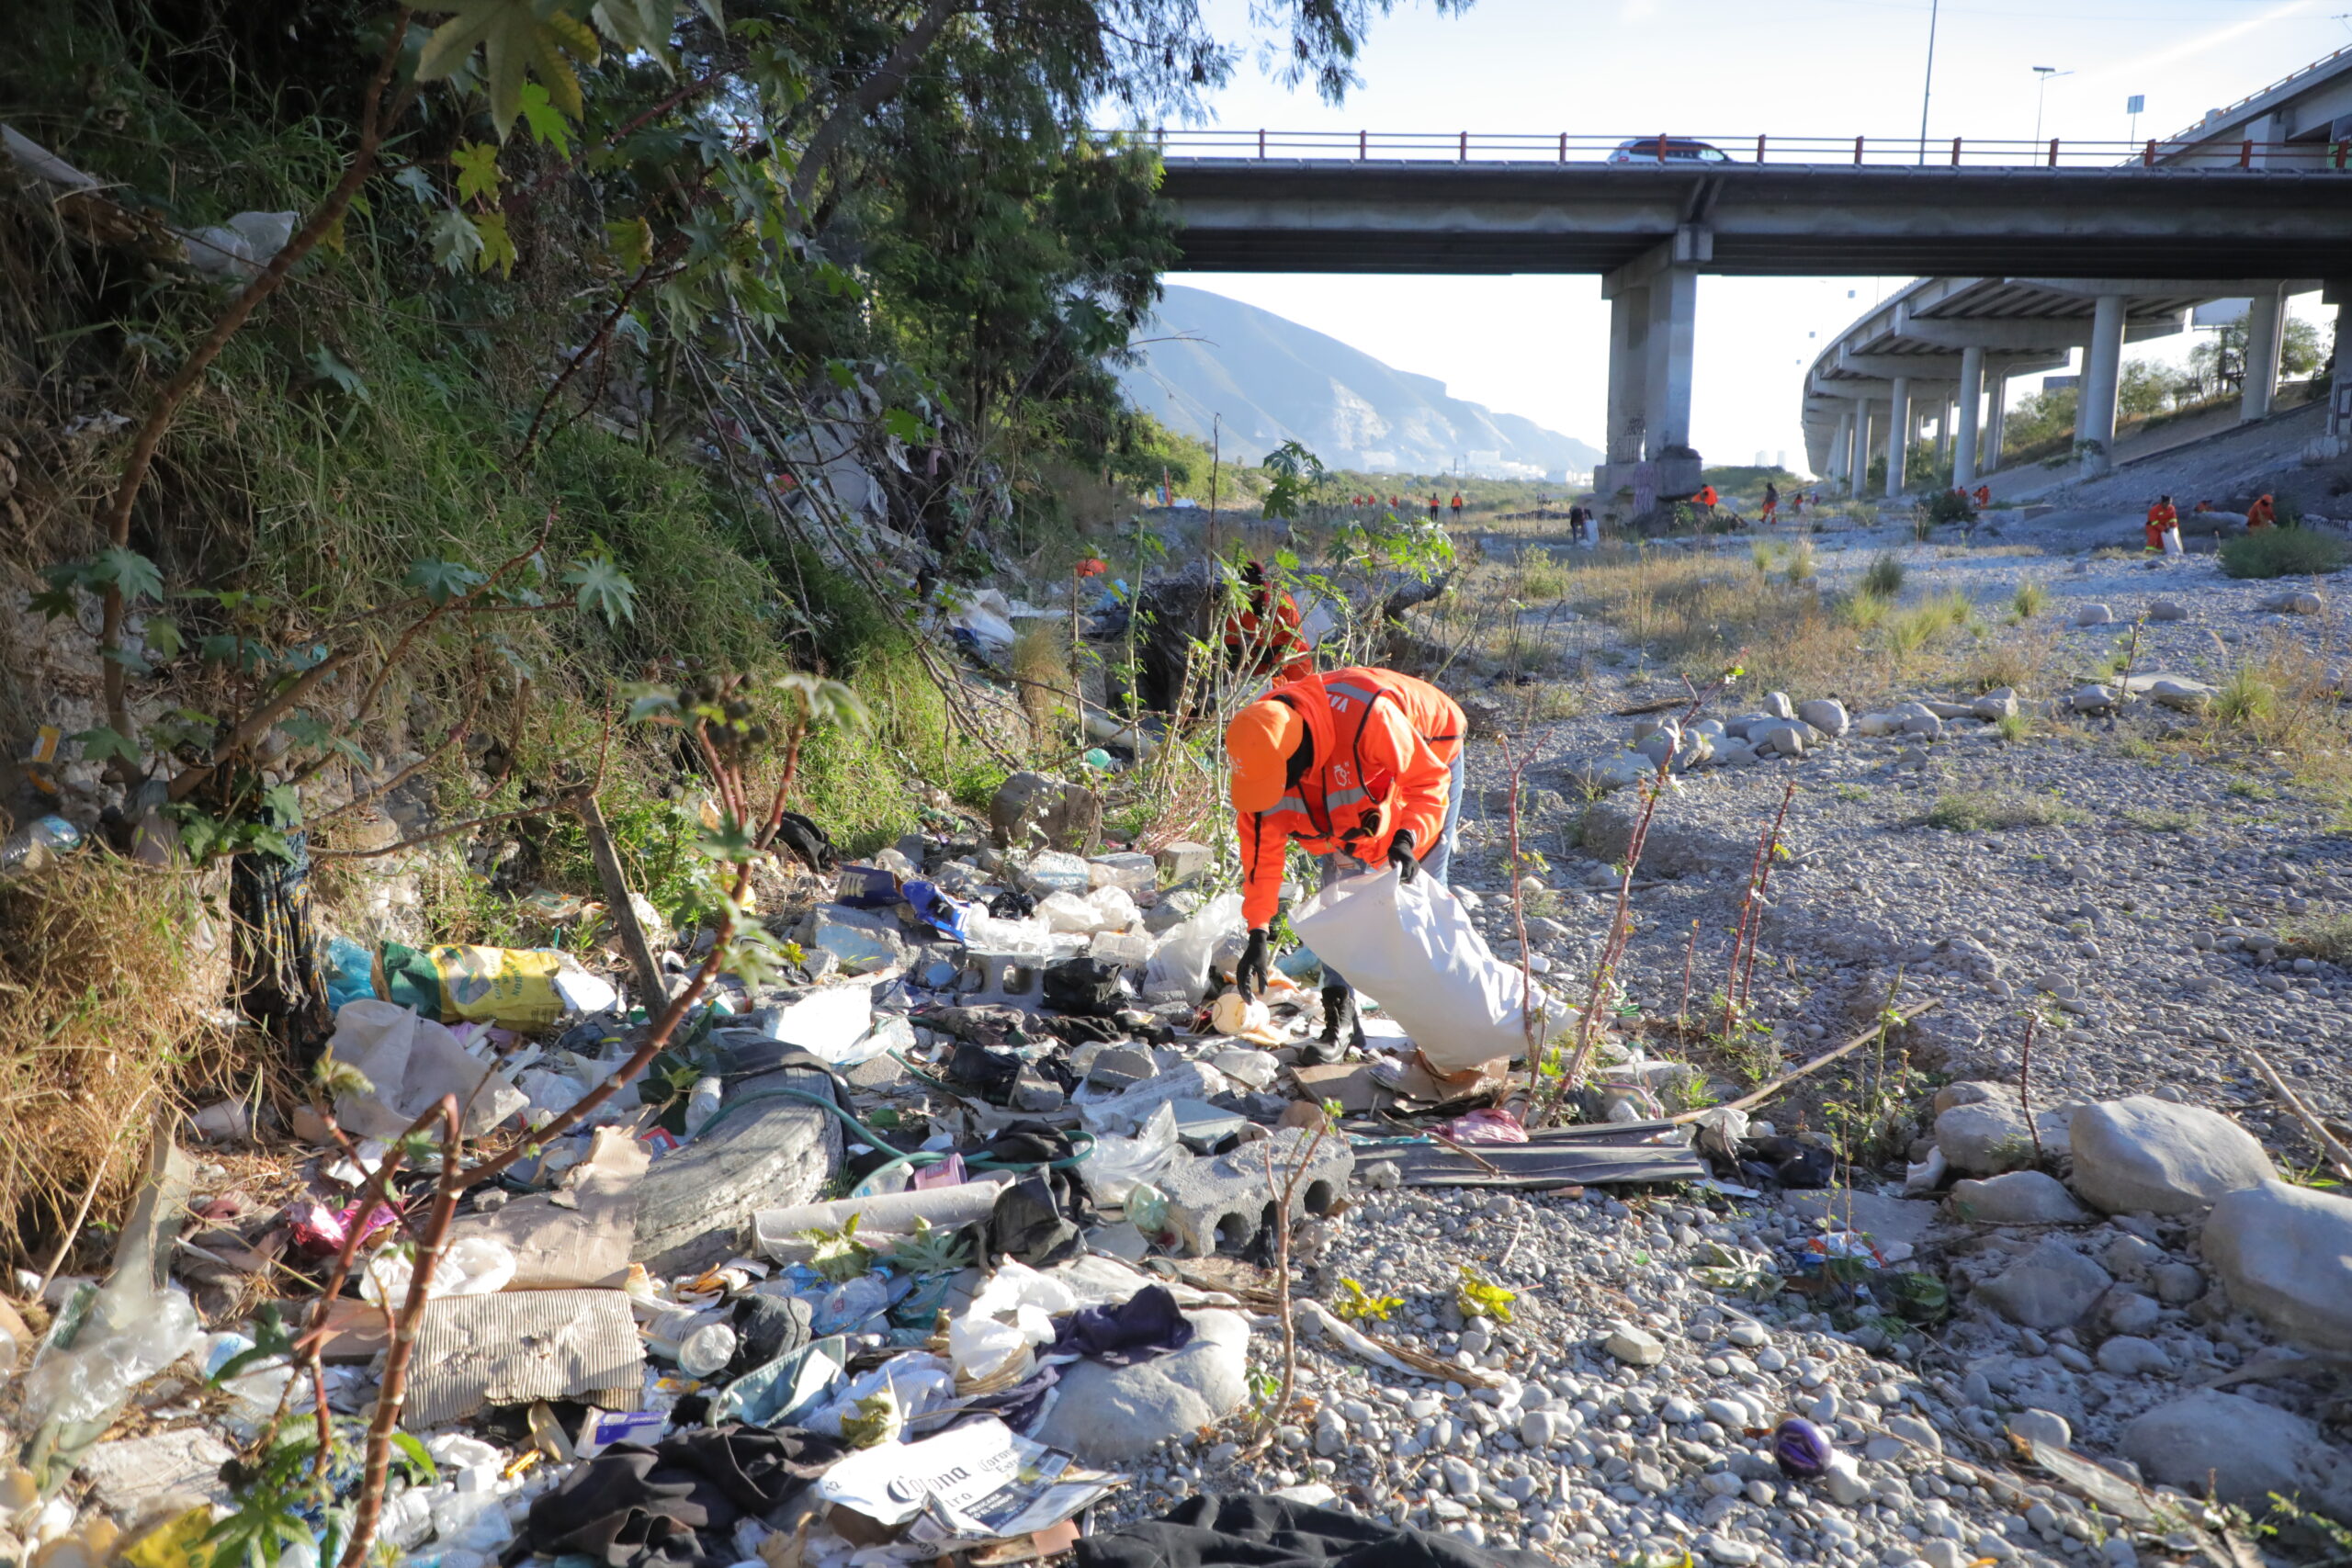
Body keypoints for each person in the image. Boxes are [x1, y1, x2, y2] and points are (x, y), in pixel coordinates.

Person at [1227, 667, 1466, 1063]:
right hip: (1358, 787)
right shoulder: (1259, 749)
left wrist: (1408, 838)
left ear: (1298, 758)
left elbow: (1427, 782)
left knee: (1423, 899)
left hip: (1430, 749)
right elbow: (1260, 859)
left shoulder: (1370, 719)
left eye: (1276, 784)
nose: (1273, 795)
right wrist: (1258, 932)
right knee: (1337, 903)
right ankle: (1342, 1021)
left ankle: (1458, 1023)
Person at [1221, 560, 1315, 684]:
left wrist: (1280, 662)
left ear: (1261, 586)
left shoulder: (1281, 601)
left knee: (1300, 690)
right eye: (1243, 589)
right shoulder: (1238, 604)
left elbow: (1294, 637)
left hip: (1293, 659)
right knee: (1257, 689)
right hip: (1262, 657)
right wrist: (1233, 661)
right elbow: (1230, 634)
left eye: (1252, 588)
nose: (1248, 593)